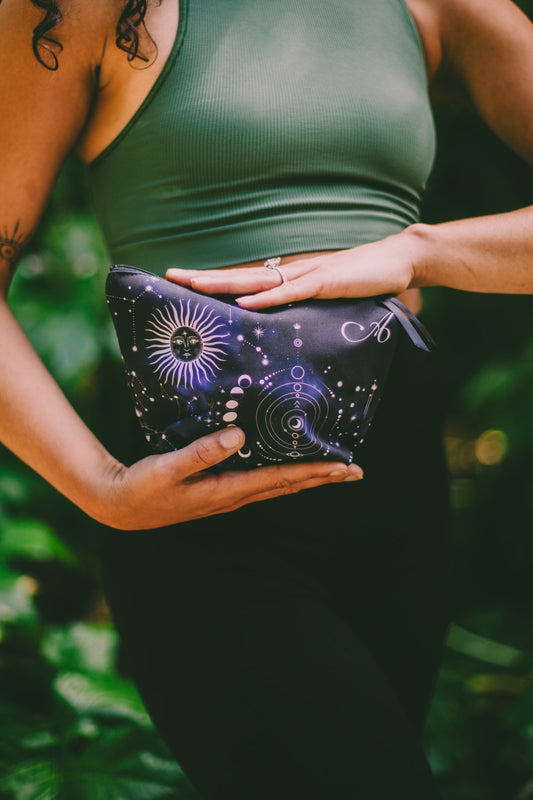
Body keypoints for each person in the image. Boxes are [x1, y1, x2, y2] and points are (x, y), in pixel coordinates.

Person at [1, 0, 532, 798]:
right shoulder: (81, 10)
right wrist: (99, 488)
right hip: (203, 514)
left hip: (395, 501)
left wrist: (419, 251)